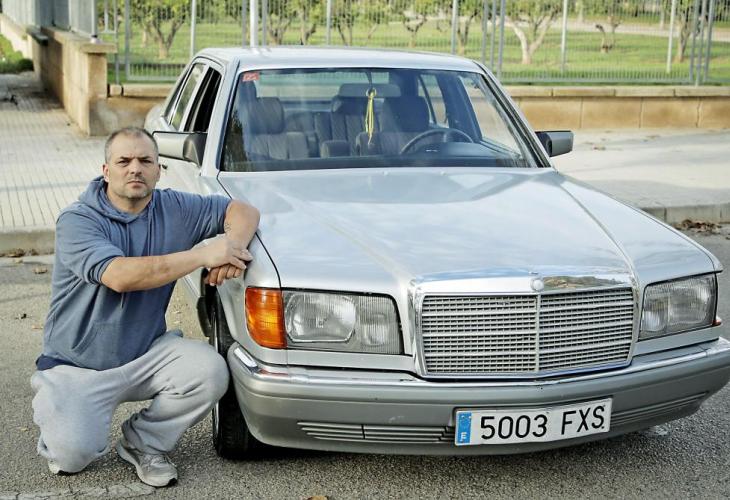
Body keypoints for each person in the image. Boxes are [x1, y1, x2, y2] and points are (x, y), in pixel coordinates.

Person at [30, 127, 260, 487]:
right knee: (72, 455)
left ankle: (143, 442)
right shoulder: (78, 220)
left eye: (145, 161)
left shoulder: (174, 208)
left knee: (209, 371)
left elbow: (242, 210)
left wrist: (232, 248)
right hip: (77, 366)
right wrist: (204, 255)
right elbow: (120, 276)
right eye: (123, 161)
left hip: (145, 353)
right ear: (106, 171)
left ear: (158, 170)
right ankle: (59, 407)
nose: (135, 168)